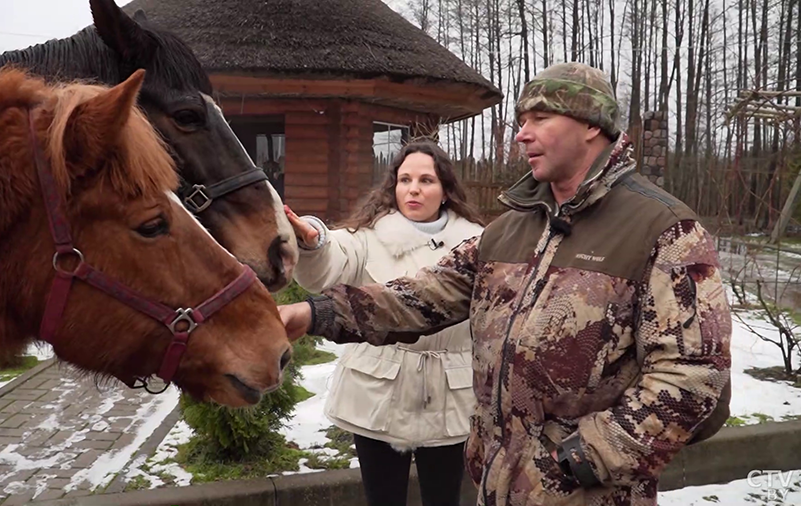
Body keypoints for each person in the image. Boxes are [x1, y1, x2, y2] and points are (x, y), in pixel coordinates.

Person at [279, 62, 732, 506]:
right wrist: (317, 313)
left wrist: (579, 461)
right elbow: (422, 297)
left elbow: (693, 377)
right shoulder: (510, 230)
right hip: (496, 487)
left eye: (540, 118)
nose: (522, 133)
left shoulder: (663, 229)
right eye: (521, 120)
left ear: (591, 125)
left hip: (586, 493)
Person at [283, 139, 487, 506]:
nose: (413, 189)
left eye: (426, 180)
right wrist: (312, 240)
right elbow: (328, 261)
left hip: (450, 394)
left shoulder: (477, 243)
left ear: (445, 191)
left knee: (444, 498)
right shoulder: (367, 236)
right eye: (405, 179)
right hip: (377, 391)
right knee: (383, 499)